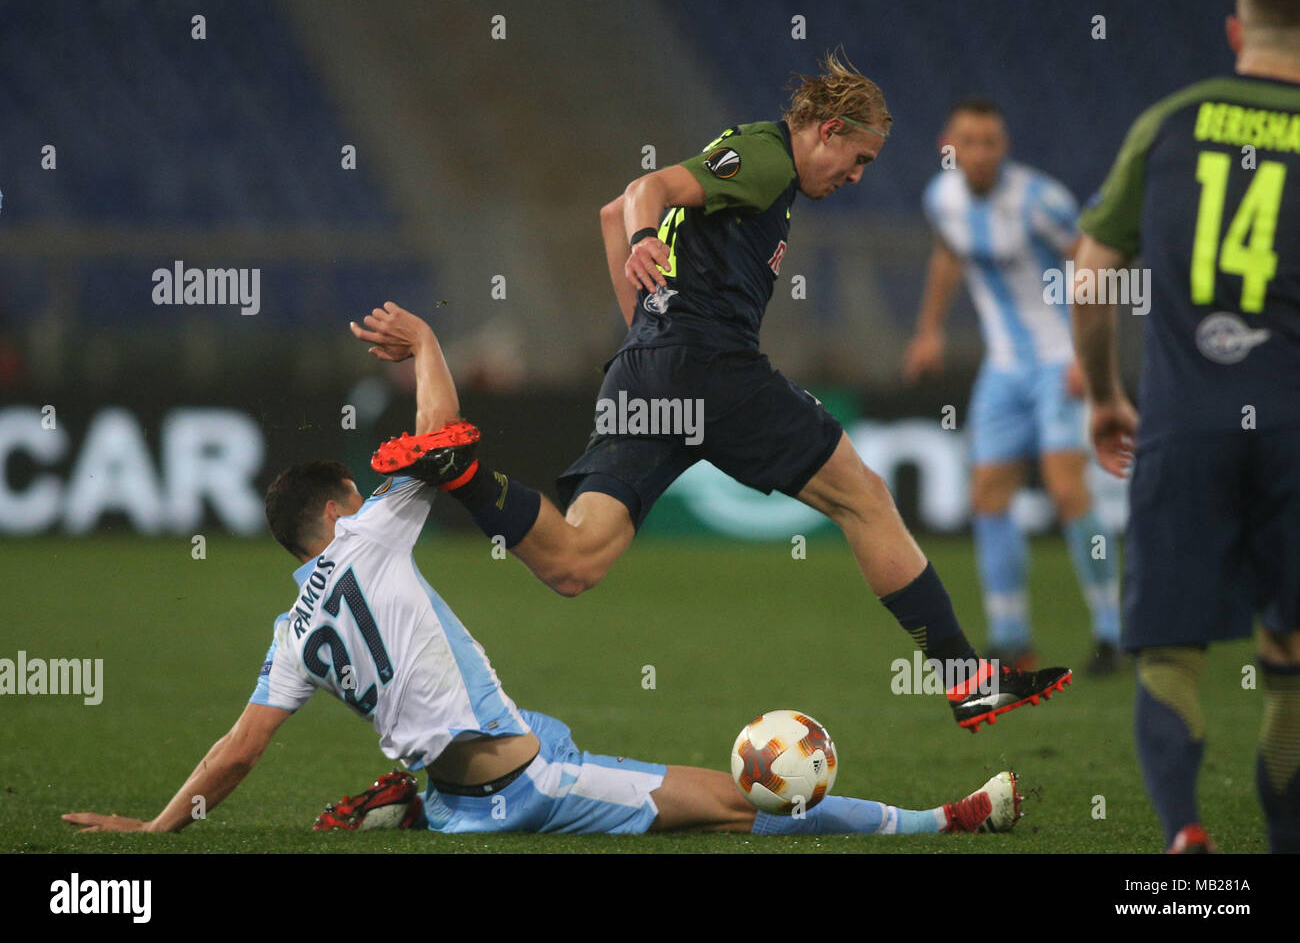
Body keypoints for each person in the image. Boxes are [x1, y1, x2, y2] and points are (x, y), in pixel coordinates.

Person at [61, 311, 1022, 839]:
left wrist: (156, 828)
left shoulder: (289, 635)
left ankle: (414, 792)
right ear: (341, 503)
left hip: (460, 793)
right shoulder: (369, 533)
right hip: (529, 786)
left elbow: (237, 752)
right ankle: (944, 819)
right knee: (739, 804)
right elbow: (440, 443)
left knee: (485, 744)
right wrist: (430, 344)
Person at [368, 50, 1072, 733]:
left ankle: (462, 473)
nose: (858, 176)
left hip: (649, 371)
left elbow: (609, 215)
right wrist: (652, 251)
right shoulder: (767, 157)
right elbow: (639, 198)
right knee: (865, 499)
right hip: (714, 367)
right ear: (828, 131)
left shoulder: (755, 164)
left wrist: (645, 333)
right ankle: (967, 681)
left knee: (576, 561)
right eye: (858, 158)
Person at [1071, 0, 1300, 852]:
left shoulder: (1172, 120)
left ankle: (1186, 838)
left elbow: (1091, 278)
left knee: (1170, 654)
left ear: (1238, 32)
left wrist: (1103, 396)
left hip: (1182, 424)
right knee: (1291, 662)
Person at [903, 99, 1121, 675]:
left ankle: (1113, 632)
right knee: (987, 496)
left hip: (1058, 362)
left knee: (1066, 489)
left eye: (992, 141)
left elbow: (1093, 266)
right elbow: (949, 255)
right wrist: (929, 330)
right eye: (969, 141)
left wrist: (1088, 355)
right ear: (948, 145)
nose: (981, 152)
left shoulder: (1041, 200)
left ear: (1005, 146)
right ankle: (1009, 636)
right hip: (1003, 367)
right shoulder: (941, 199)